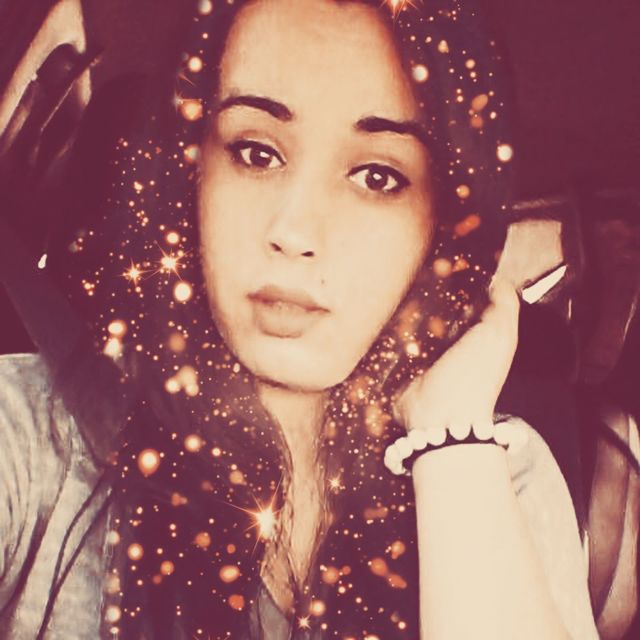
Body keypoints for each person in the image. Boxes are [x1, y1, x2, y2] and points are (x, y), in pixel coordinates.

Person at [0, 0, 628, 638]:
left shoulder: (502, 469)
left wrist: (449, 437)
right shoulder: (29, 434)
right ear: (192, 176)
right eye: (255, 153)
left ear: (440, 232)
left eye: (377, 176)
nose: (295, 231)